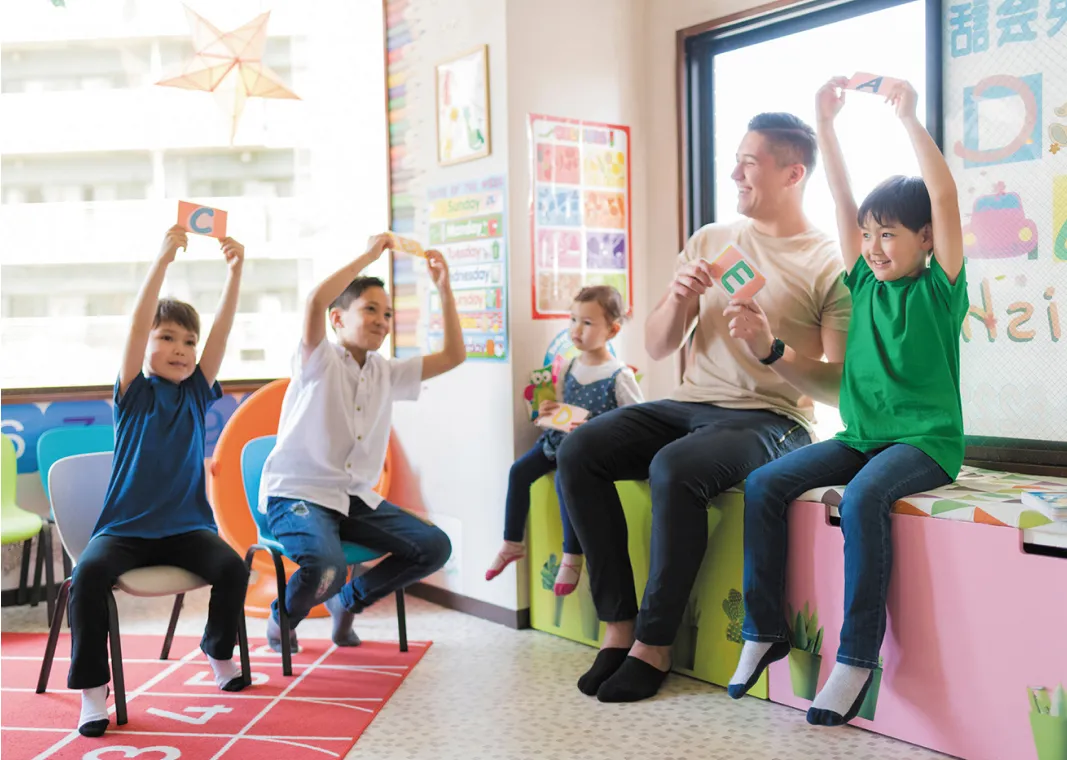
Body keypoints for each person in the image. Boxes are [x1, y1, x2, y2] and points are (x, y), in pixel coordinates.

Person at [557, 113, 853, 702]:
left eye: (750, 163)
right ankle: (618, 627)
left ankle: (654, 643)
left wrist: (772, 349)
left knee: (674, 468)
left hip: (774, 419)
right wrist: (677, 298)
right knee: (580, 450)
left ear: (793, 173)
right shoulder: (712, 240)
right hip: (690, 403)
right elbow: (658, 346)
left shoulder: (829, 262)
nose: (735, 174)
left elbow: (839, 386)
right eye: (736, 160)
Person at [725, 78, 967, 727]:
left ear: (925, 239)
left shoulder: (939, 291)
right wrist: (824, 124)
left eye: (888, 235)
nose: (873, 246)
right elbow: (839, 196)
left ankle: (856, 657)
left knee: (860, 498)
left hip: (925, 443)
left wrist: (908, 118)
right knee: (763, 484)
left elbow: (943, 195)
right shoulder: (862, 283)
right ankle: (763, 630)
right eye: (867, 235)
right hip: (861, 437)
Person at [69, 225, 250, 737]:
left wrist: (236, 273)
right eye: (166, 337)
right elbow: (135, 325)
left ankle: (217, 652)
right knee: (87, 577)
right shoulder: (134, 393)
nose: (181, 349)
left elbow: (222, 333)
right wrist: (163, 260)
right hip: (124, 531)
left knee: (232, 569)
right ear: (146, 344)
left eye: (188, 341)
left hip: (185, 530)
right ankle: (93, 691)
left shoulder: (196, 391)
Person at [259, 234, 458, 653]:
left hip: (353, 499)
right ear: (337, 318)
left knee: (435, 547)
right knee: (326, 567)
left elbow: (453, 356)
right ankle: (282, 620)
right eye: (370, 309)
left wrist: (444, 288)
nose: (382, 321)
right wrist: (369, 256)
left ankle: (347, 602)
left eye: (387, 314)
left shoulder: (387, 372)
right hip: (298, 495)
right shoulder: (320, 359)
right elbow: (315, 300)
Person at [485, 285, 643, 595]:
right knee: (519, 471)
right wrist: (550, 410)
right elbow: (563, 406)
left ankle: (572, 554)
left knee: (563, 481)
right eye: (573, 320)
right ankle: (512, 542)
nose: (576, 330)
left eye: (587, 323)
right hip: (557, 442)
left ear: (612, 330)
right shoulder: (570, 366)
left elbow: (637, 421)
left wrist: (594, 424)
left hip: (589, 452)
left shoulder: (618, 375)